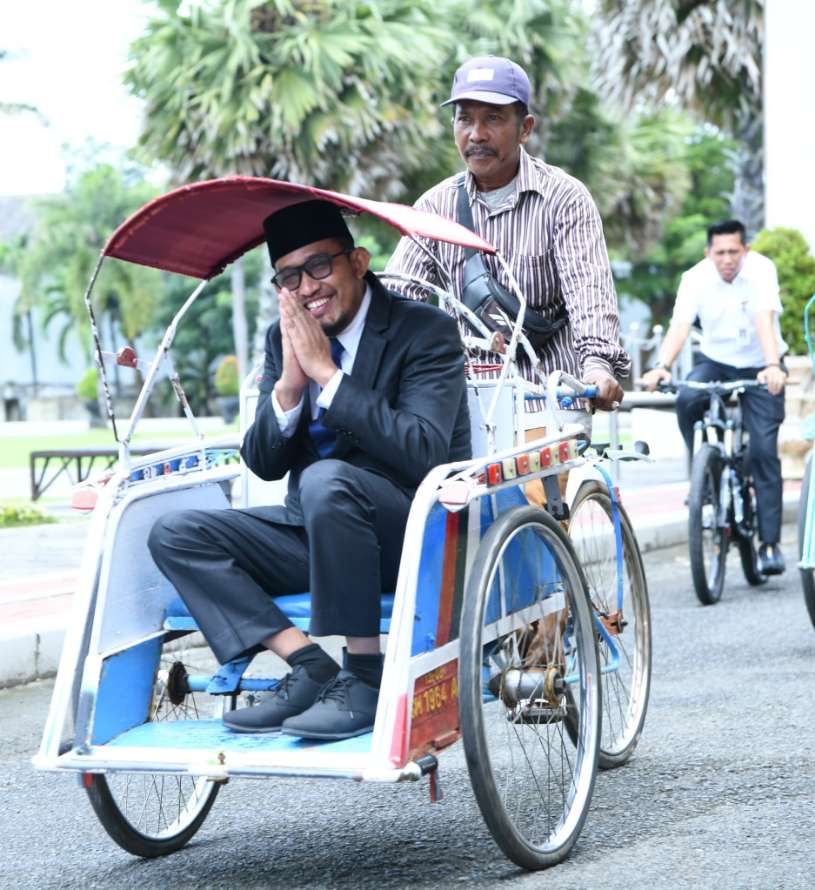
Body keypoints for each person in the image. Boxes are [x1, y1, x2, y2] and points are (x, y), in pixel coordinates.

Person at [148, 199, 471, 739]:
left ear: (358, 262)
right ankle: (307, 664)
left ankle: (364, 674)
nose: (307, 287)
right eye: (289, 277)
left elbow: (424, 450)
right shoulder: (285, 339)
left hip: (410, 536)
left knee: (326, 480)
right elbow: (264, 464)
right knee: (176, 533)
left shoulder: (424, 331)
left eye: (319, 266)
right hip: (314, 531)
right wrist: (289, 388)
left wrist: (328, 375)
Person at [385, 54, 631, 439]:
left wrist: (598, 366)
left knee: (544, 475)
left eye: (494, 118)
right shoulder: (435, 206)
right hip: (464, 398)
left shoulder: (564, 198)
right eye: (465, 119)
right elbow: (397, 297)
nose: (477, 134)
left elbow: (590, 296)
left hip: (548, 395)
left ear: (525, 128)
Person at [642, 219, 787, 575]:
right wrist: (661, 366)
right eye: (720, 252)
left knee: (763, 452)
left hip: (760, 363)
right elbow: (680, 325)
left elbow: (764, 319)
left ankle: (769, 545)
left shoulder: (761, 270)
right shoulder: (695, 278)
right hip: (716, 362)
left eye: (734, 252)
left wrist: (772, 365)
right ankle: (704, 470)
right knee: (686, 398)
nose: (727, 259)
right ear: (709, 253)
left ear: (745, 250)